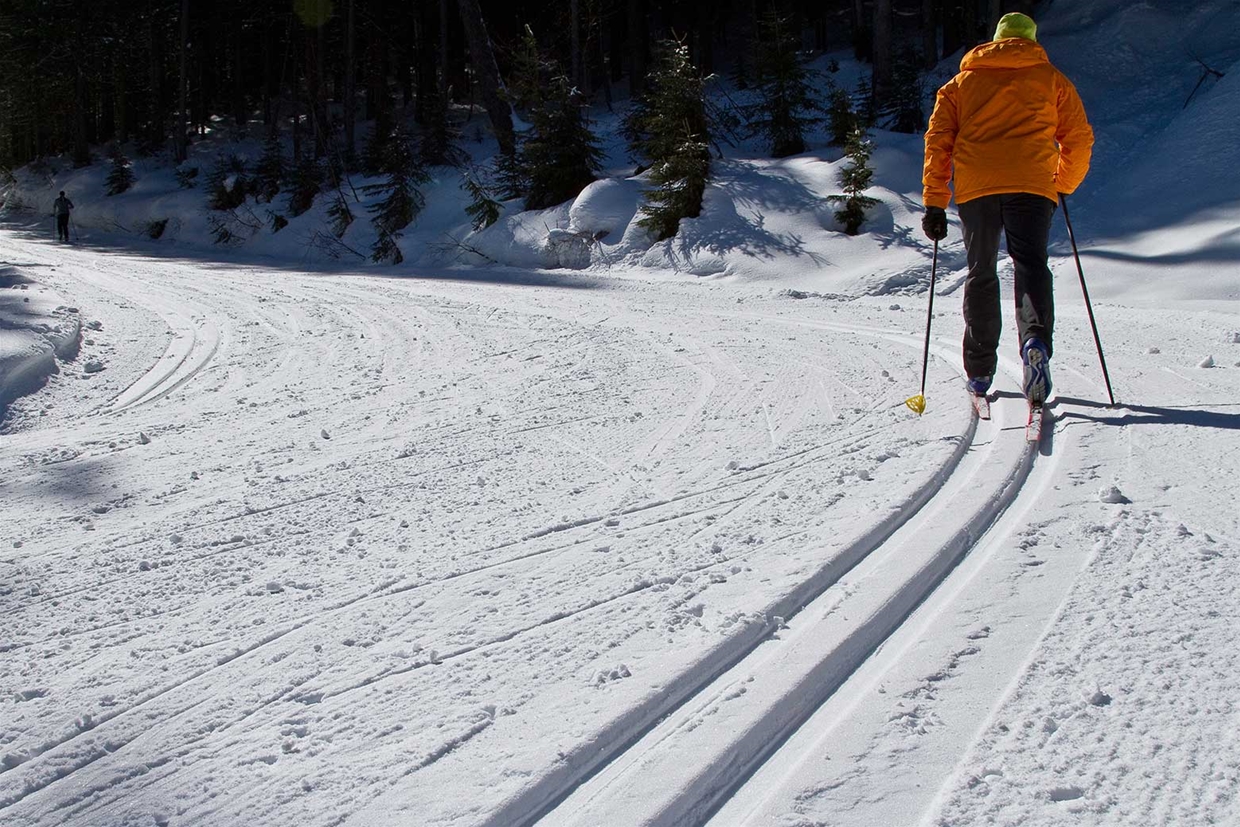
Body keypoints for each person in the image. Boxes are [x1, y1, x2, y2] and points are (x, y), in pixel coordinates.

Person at [921, 12, 1093, 406]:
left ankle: (980, 371)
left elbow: (938, 142)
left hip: (977, 187)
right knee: (1030, 265)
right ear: (1031, 41)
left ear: (995, 40)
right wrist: (1061, 183)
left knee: (981, 271)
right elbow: (1079, 139)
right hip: (1032, 185)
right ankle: (1034, 339)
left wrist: (935, 201)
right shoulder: (1052, 80)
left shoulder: (961, 83)